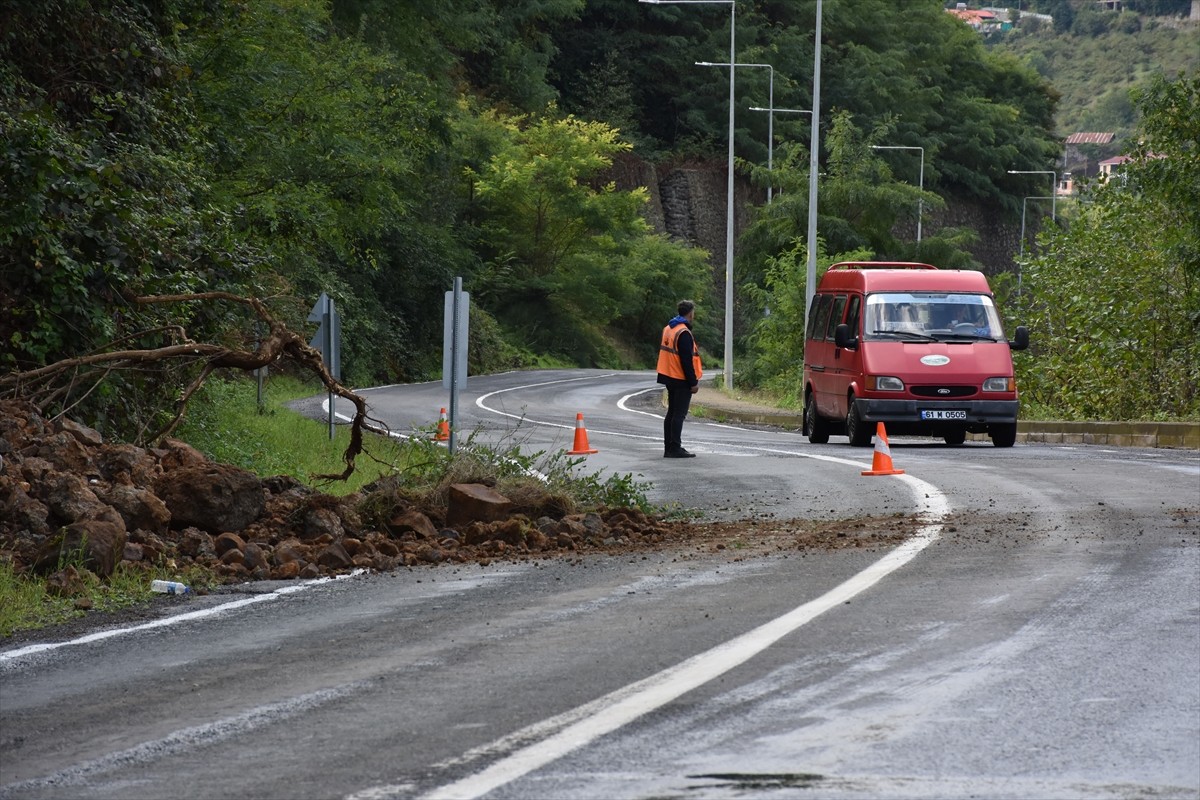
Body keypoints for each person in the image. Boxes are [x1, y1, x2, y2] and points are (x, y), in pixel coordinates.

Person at [656, 299, 702, 458]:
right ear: (691, 313)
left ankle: (668, 447)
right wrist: (693, 382)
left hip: (669, 376)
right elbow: (686, 361)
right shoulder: (683, 332)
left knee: (671, 413)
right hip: (680, 378)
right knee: (678, 414)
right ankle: (675, 447)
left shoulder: (669, 328)